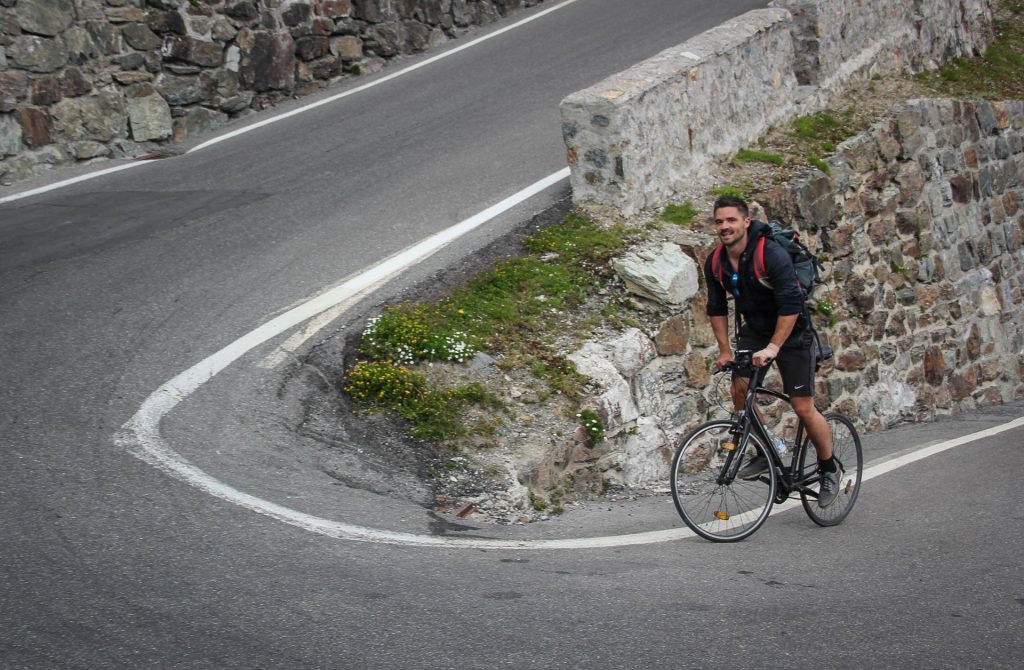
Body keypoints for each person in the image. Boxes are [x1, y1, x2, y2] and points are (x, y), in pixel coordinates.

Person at [703, 195, 839, 507]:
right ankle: (772, 449)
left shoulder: (771, 254)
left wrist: (774, 347)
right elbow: (716, 307)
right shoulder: (715, 262)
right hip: (755, 330)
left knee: (803, 407)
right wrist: (725, 350)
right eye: (719, 221)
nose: (725, 227)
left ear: (745, 222)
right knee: (740, 391)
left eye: (731, 220)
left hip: (792, 333)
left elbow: (791, 304)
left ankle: (829, 467)